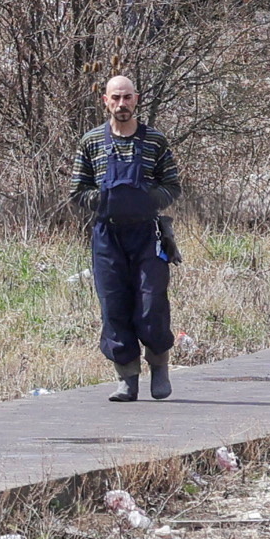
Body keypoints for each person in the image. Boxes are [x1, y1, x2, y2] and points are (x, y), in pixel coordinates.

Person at [72, 75, 183, 399]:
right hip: (107, 236)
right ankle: (127, 378)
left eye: (127, 98)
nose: (122, 104)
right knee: (114, 306)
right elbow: (78, 190)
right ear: (105, 100)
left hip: (149, 234)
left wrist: (148, 199)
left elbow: (172, 186)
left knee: (152, 304)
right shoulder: (91, 141)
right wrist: (105, 201)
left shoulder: (155, 141)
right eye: (115, 98)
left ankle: (159, 367)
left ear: (137, 99)